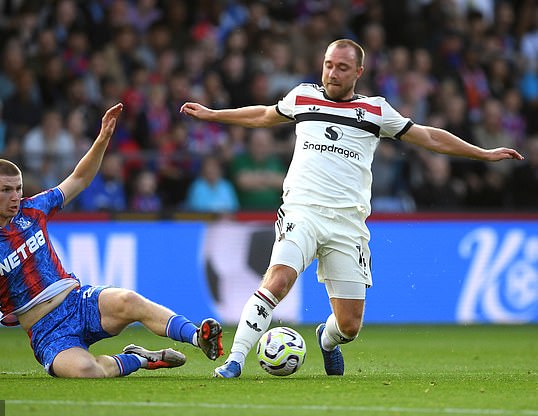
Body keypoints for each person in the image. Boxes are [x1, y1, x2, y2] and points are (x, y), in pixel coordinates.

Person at [180, 39, 524, 379]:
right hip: (303, 210)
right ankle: (235, 362)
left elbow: (430, 137)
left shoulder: (376, 112)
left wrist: (483, 153)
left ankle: (327, 341)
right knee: (278, 279)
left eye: (342, 67)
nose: (332, 73)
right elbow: (264, 115)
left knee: (349, 325)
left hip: (347, 223)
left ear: (358, 72)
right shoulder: (303, 97)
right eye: (329, 64)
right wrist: (213, 115)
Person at [0, 103, 223, 379]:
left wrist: (103, 138)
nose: (15, 196)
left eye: (18, 189)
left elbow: (79, 179)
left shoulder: (33, 209)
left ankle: (197, 337)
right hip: (45, 330)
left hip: (77, 301)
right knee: (86, 370)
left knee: (130, 300)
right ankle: (138, 359)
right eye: (6, 190)